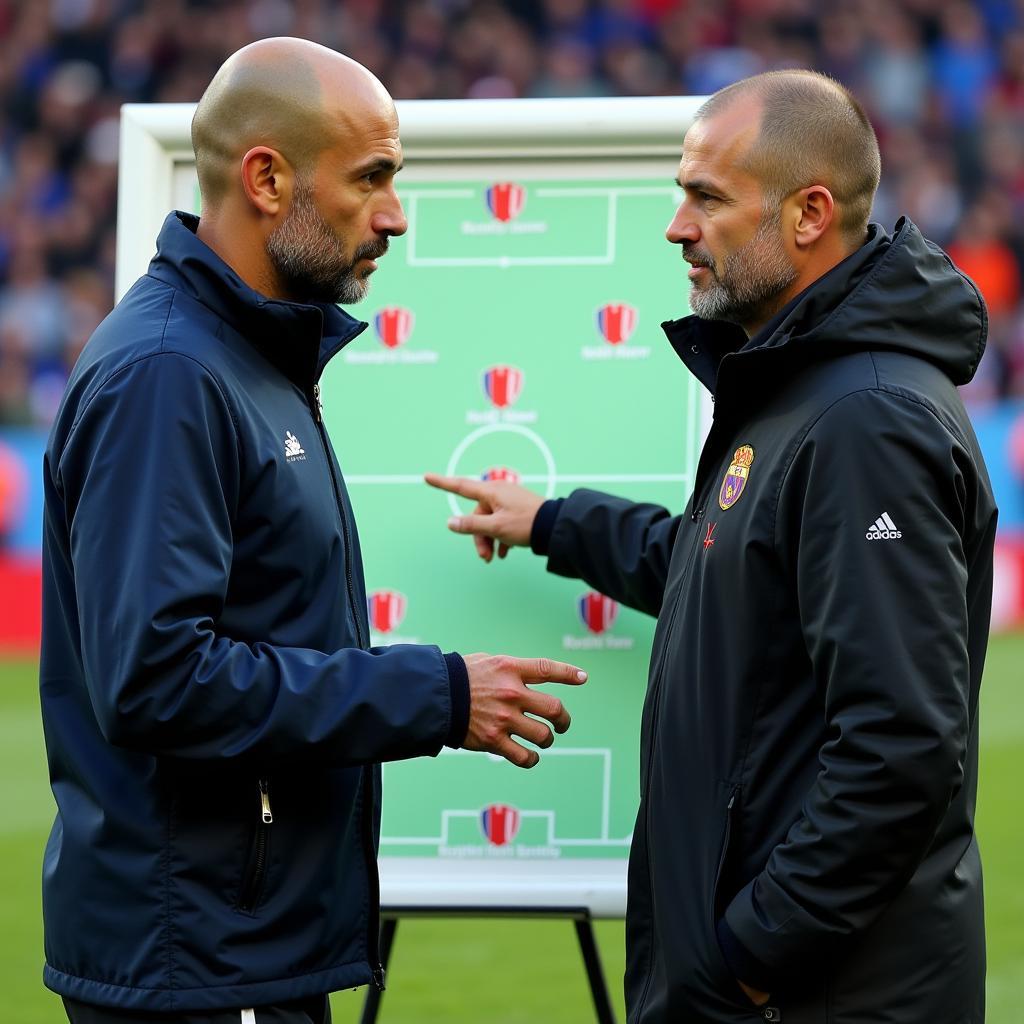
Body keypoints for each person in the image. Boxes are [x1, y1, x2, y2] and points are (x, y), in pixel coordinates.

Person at [427, 69, 996, 1024]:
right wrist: (556, 523)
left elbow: (902, 743)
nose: (677, 226)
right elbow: (725, 577)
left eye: (706, 196)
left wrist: (749, 956)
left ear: (810, 212)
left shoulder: (866, 420)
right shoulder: (799, 389)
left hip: (818, 997)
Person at [39, 37, 588, 1024]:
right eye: (371, 177)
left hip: (233, 948)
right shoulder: (170, 373)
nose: (394, 215)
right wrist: (434, 692)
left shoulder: (242, 357)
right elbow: (158, 680)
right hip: (196, 960)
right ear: (266, 177)